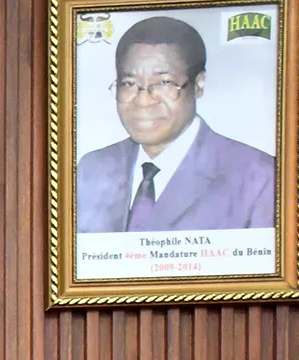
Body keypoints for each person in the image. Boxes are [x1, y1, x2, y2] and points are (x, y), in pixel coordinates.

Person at [75, 15, 275, 233]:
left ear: (198, 85)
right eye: (129, 83)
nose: (143, 100)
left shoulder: (258, 177)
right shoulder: (93, 169)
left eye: (164, 83)